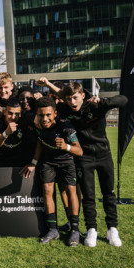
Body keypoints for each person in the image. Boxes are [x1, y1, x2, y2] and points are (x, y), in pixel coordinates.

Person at [40, 77, 128, 247]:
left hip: (104, 155)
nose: (72, 102)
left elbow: (124, 99)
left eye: (75, 97)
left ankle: (112, 229)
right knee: (88, 195)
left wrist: (103, 101)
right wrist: (48, 85)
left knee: (108, 194)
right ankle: (91, 229)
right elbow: (63, 94)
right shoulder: (65, 109)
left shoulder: (96, 105)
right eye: (69, 99)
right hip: (84, 157)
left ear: (83, 95)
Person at [20, 96, 83, 247]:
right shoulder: (38, 125)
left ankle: (74, 229)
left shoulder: (65, 126)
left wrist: (66, 147)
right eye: (41, 115)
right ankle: (53, 229)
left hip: (67, 162)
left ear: (55, 113)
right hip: (48, 162)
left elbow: (79, 151)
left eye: (48, 115)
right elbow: (40, 144)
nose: (45, 118)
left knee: (70, 191)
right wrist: (34, 163)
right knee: (47, 191)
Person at [0, 98, 32, 166]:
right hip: (0, 161)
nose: (13, 117)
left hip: (18, 162)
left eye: (17, 114)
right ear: (4, 112)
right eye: (10, 113)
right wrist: (6, 133)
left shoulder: (24, 122)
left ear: (20, 114)